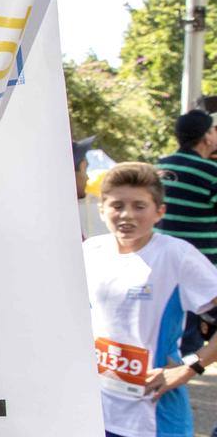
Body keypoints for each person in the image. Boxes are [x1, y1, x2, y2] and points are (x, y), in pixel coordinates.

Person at [84, 162, 217, 437]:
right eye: (117, 205)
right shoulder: (90, 252)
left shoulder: (177, 256)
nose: (127, 215)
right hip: (98, 412)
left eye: (139, 206)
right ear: (101, 209)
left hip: (155, 416)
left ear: (159, 212)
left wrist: (190, 367)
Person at [154, 110, 217, 355]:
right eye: (213, 130)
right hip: (200, 269)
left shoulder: (159, 166)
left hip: (161, 266)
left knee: (169, 335)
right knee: (190, 341)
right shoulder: (211, 173)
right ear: (206, 138)